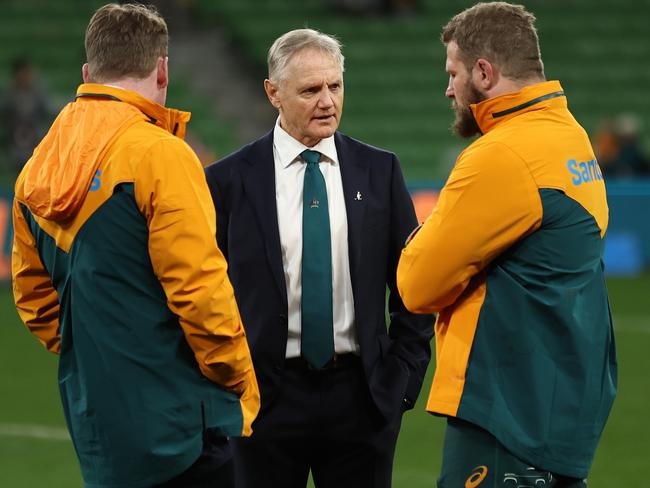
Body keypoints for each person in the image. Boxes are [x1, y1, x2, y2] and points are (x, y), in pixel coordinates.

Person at [11, 4, 259, 487]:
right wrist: (237, 377)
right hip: (182, 424)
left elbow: (34, 301)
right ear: (162, 68)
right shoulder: (159, 154)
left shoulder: (35, 169)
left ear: (89, 73)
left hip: (98, 421)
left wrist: (104, 350)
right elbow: (200, 289)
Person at [396, 2, 617, 487]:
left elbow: (417, 286)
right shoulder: (572, 138)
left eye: (453, 73)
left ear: (484, 71)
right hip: (560, 409)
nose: (448, 88)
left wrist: (419, 238)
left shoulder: (502, 154)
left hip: (505, 412)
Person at [204, 28, 434, 488]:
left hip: (361, 398)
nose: (327, 101)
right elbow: (204, 294)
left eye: (335, 86)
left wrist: (401, 381)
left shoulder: (380, 170)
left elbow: (414, 283)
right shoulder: (226, 181)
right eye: (311, 90)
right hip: (262, 402)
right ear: (274, 93)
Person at [0, 57, 51, 173]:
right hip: (13, 141)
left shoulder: (38, 93)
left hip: (35, 139)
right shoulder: (8, 94)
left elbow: (46, 112)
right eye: (23, 72)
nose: (26, 76)